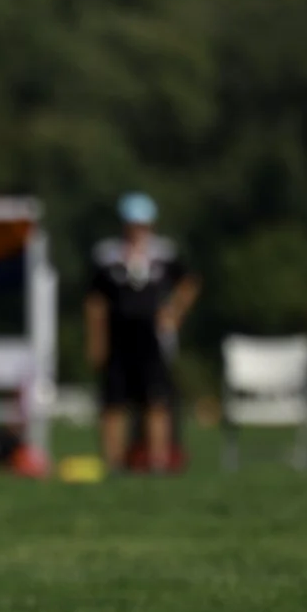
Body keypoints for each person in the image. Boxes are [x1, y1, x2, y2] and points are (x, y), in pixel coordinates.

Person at [85, 193, 201, 472]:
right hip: (117, 335)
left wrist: (174, 312)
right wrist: (96, 341)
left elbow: (189, 282)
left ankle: (158, 460)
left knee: (156, 400)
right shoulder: (107, 256)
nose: (137, 230)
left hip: (151, 337)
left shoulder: (164, 254)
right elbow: (95, 301)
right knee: (113, 402)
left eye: (142, 225)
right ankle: (113, 464)